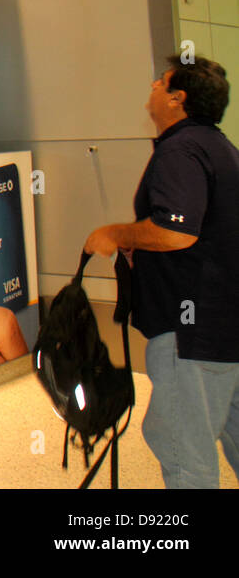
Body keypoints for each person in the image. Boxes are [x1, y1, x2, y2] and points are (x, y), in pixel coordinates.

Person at [83, 55, 239, 488]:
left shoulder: (180, 150)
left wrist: (117, 234)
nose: (152, 86)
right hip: (225, 327)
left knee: (182, 447)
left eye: (160, 82)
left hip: (191, 328)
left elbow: (176, 231)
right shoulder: (221, 148)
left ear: (177, 98)